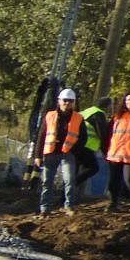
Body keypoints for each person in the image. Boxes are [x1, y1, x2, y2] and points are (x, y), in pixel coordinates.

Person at [37, 86, 85, 215]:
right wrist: (38, 155)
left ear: (73, 102)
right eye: (64, 100)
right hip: (50, 152)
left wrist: (75, 151)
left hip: (68, 153)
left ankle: (69, 206)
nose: (67, 103)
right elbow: (42, 135)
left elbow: (83, 138)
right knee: (47, 181)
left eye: (70, 101)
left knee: (69, 180)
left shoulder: (78, 118)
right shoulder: (50, 116)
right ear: (59, 101)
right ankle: (45, 208)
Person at [79, 96, 111, 205]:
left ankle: (70, 194)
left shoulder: (86, 111)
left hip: (76, 145)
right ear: (107, 106)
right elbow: (102, 133)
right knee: (93, 168)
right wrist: (105, 150)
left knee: (79, 170)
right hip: (87, 146)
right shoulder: (99, 114)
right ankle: (72, 185)